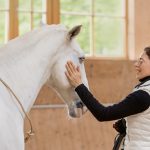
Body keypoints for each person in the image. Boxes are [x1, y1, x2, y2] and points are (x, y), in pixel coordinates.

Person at [65, 46, 150, 150]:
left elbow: (103, 114)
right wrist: (126, 125)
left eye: (141, 61)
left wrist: (79, 85)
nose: (136, 64)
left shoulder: (143, 95)